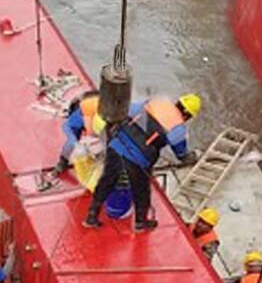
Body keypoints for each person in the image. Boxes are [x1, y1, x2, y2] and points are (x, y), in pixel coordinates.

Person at [82, 94, 201, 232]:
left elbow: (129, 110)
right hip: (138, 159)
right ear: (188, 116)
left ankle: (91, 216)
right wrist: (193, 157)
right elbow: (181, 154)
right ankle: (140, 223)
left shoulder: (157, 102)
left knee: (106, 181)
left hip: (117, 145)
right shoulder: (178, 128)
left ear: (178, 102)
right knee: (141, 191)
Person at [52, 91, 103, 175]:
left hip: (89, 122)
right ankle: (62, 163)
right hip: (75, 126)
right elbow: (90, 131)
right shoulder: (83, 114)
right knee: (72, 143)